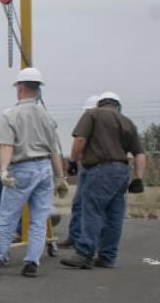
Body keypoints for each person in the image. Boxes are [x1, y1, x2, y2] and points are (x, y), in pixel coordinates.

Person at [0, 68, 67, 278]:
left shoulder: (11, 114)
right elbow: (54, 150)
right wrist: (60, 176)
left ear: (19, 88)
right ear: (38, 90)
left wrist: (4, 170)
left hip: (21, 168)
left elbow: (7, 145)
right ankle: (31, 263)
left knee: (7, 217)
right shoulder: (47, 116)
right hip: (44, 168)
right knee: (38, 219)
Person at [60, 92, 146, 270]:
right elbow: (139, 153)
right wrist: (138, 178)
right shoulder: (127, 122)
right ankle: (107, 257)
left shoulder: (92, 114)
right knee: (114, 215)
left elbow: (80, 139)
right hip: (122, 171)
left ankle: (84, 254)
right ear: (118, 106)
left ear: (100, 104)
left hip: (100, 170)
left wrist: (73, 161)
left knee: (92, 210)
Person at [57, 95, 101, 249]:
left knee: (90, 206)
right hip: (89, 167)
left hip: (95, 169)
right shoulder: (95, 124)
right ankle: (76, 236)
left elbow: (80, 141)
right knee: (79, 204)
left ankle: (85, 240)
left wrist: (73, 161)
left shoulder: (98, 125)